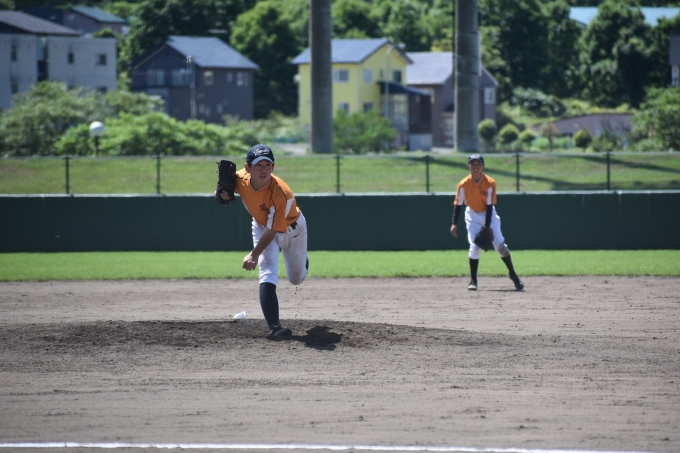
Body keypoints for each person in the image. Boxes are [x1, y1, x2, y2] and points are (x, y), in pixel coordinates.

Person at [218, 144, 308, 340]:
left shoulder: (280, 193)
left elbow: (273, 229)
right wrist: (223, 193)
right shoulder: (240, 178)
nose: (263, 169)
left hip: (293, 230)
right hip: (261, 226)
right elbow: (225, 190)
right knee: (267, 272)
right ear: (248, 167)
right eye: (258, 165)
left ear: (273, 167)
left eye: (268, 164)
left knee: (296, 278)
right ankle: (275, 328)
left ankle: (303, 263)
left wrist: (254, 254)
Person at [450, 153, 523, 291]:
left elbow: (489, 206)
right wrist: (454, 223)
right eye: (473, 164)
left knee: (501, 247)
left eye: (478, 164)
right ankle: (473, 281)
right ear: (468, 166)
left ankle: (513, 274)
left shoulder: (490, 183)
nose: (475, 166)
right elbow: (458, 204)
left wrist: (488, 227)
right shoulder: (463, 185)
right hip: (472, 215)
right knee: (475, 247)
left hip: (489, 216)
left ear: (483, 166)